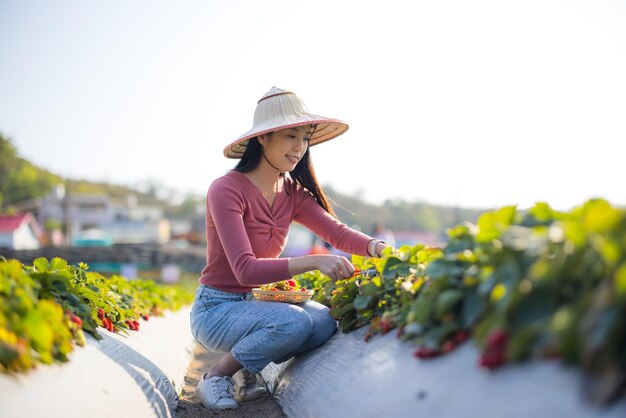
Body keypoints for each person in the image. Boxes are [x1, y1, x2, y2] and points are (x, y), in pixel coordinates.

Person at [190, 87, 389, 410]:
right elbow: (245, 269)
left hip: (259, 303)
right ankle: (216, 376)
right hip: (217, 309)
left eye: (305, 138)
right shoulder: (226, 189)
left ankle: (249, 369)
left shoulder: (293, 192)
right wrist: (313, 262)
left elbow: (336, 233)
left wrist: (381, 249)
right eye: (291, 136)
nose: (300, 147)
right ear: (263, 138)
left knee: (324, 321)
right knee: (293, 322)